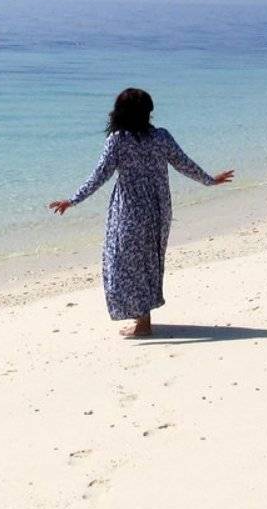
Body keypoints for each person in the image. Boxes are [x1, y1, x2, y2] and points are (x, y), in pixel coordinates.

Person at [48, 88, 233, 337]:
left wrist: (73, 200)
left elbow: (99, 175)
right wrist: (209, 180)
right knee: (148, 262)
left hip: (130, 210)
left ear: (120, 112)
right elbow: (184, 164)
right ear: (147, 112)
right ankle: (142, 319)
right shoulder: (161, 137)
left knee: (122, 263)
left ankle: (143, 323)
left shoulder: (118, 140)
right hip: (158, 208)